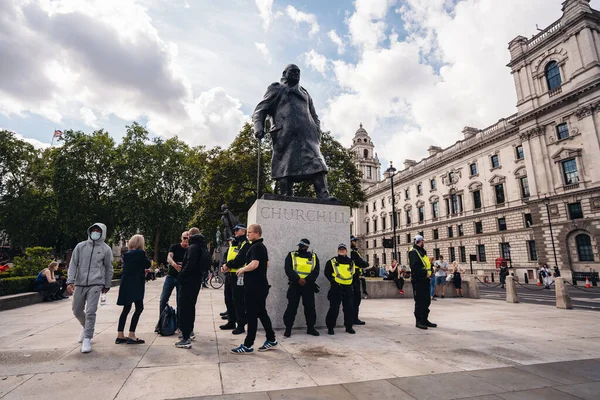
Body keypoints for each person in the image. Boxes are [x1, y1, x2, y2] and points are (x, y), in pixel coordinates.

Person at [252, 64, 333, 199]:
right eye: (292, 72)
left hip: (308, 136)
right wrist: (259, 127)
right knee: (285, 165)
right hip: (285, 134)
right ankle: (286, 194)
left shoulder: (305, 93)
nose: (296, 74)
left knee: (318, 163)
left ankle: (323, 194)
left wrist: (317, 132)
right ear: (284, 73)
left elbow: (314, 115)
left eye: (298, 72)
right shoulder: (276, 88)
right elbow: (260, 109)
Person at [67, 223, 114, 353]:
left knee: (91, 311)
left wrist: (107, 284)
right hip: (80, 283)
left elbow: (109, 268)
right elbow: (73, 264)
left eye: (98, 230)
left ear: (102, 233)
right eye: (93, 230)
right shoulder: (80, 246)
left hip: (96, 283)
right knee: (76, 310)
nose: (95, 232)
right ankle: (85, 326)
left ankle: (87, 337)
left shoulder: (106, 249)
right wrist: (70, 280)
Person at [232, 224, 278, 354]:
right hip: (260, 286)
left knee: (252, 315)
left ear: (257, 233)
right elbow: (266, 263)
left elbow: (255, 264)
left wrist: (243, 269)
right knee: (261, 313)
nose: (248, 235)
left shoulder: (257, 247)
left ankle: (247, 345)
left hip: (255, 288)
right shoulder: (260, 247)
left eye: (250, 232)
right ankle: (271, 339)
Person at [176, 228, 211, 349]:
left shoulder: (193, 248)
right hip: (196, 280)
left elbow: (190, 264)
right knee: (191, 307)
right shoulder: (202, 247)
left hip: (188, 281)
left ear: (191, 236)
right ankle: (189, 332)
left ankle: (185, 338)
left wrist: (181, 275)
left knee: (184, 308)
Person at [116, 234, 150, 344]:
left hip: (126, 284)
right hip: (136, 284)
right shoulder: (141, 253)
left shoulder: (127, 254)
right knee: (139, 308)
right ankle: (132, 334)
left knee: (126, 309)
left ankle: (120, 334)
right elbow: (147, 264)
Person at [283, 239, 320, 337]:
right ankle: (288, 328)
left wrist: (306, 280)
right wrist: (298, 279)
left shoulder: (313, 256)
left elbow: (316, 271)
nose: (300, 248)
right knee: (291, 307)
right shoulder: (291, 255)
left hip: (308, 285)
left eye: (303, 246)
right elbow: (288, 269)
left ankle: (310, 328)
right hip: (295, 284)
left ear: (307, 247)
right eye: (300, 246)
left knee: (310, 308)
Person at [221, 225, 249, 335]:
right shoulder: (233, 243)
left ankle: (241, 325)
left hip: (239, 275)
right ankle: (231, 321)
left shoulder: (245, 244)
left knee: (238, 301)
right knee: (228, 299)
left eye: (237, 230)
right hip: (229, 275)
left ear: (243, 231)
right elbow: (226, 255)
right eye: (235, 230)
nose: (235, 232)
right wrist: (224, 265)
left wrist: (227, 265)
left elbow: (241, 259)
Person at [159, 231, 189, 329]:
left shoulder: (190, 250)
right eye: (184, 238)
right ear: (181, 238)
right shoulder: (174, 247)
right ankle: (162, 322)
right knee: (163, 299)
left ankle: (179, 324)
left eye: (188, 238)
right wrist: (175, 265)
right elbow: (169, 257)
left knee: (180, 302)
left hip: (182, 278)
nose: (186, 240)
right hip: (171, 276)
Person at [325, 243, 355, 335]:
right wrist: (332, 281)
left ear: (346, 251)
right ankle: (330, 328)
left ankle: (349, 327)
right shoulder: (332, 261)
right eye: (340, 249)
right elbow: (327, 272)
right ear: (338, 251)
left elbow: (352, 274)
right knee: (334, 309)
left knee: (349, 308)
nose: (342, 250)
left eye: (343, 249)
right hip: (336, 287)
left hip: (348, 288)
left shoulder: (351, 262)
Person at [409, 235, 436, 330]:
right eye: (423, 241)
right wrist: (426, 273)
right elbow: (415, 267)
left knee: (426, 301)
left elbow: (425, 264)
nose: (424, 242)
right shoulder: (413, 252)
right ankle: (419, 321)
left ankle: (425, 319)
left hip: (425, 280)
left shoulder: (422, 252)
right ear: (420, 241)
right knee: (420, 301)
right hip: (418, 280)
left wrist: (431, 269)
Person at [350, 236, 369, 325]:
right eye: (354, 241)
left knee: (354, 298)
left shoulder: (353, 251)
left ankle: (353, 317)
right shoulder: (353, 252)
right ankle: (354, 318)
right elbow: (361, 262)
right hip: (354, 277)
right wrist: (365, 263)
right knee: (356, 298)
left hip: (354, 277)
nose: (355, 242)